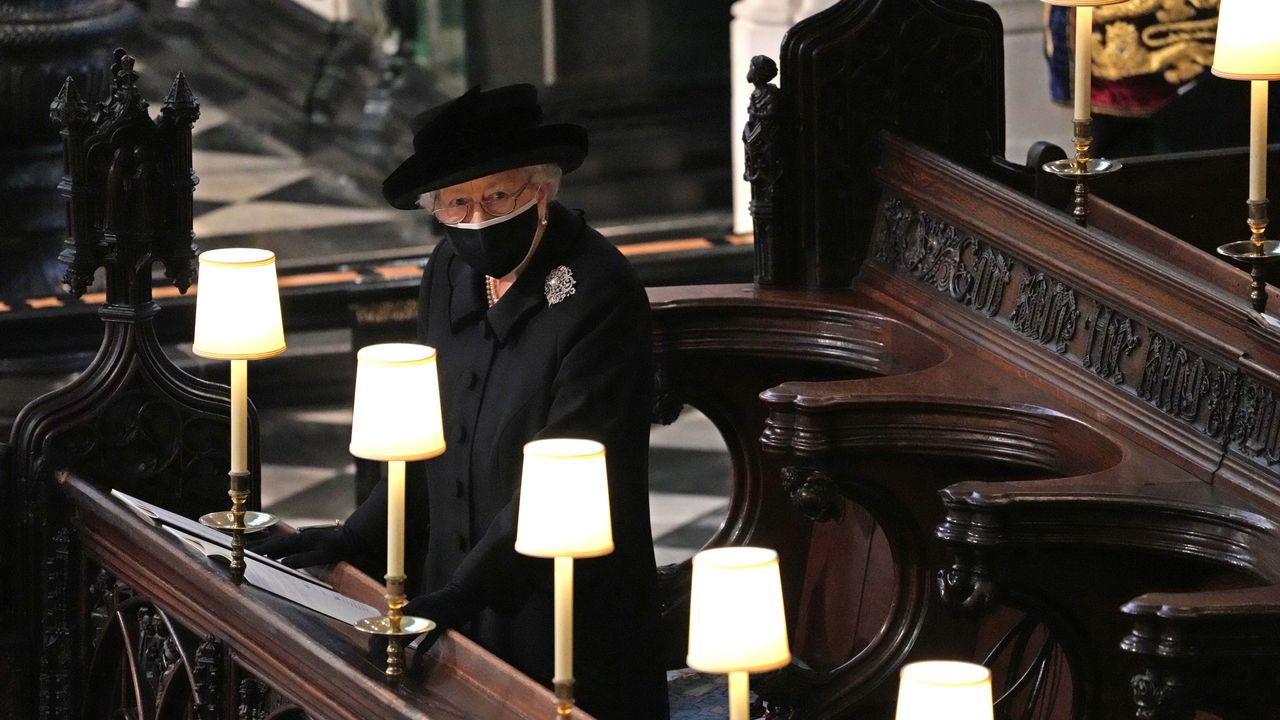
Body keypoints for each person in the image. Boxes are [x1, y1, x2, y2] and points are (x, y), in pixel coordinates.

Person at [255, 84, 670, 720]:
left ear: (541, 188)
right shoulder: (448, 269)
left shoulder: (599, 294)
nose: (476, 219)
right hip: (452, 600)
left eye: (496, 196)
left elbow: (565, 480)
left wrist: (460, 594)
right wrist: (351, 536)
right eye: (456, 204)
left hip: (559, 612)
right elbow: (428, 440)